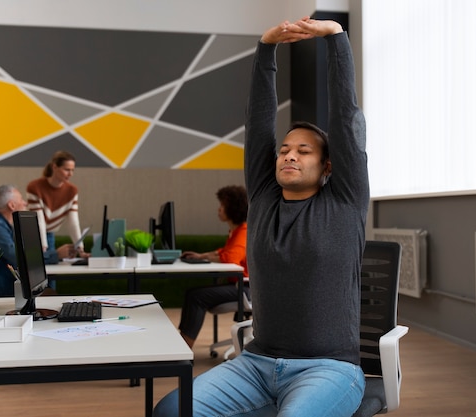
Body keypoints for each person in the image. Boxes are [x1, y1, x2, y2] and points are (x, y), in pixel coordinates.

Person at [154, 17, 369, 417]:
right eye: (286, 148)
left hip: (329, 368)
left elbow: (346, 115)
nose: (290, 153)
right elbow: (257, 122)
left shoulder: (345, 200)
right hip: (256, 364)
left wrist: (337, 38)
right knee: (170, 411)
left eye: (304, 151)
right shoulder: (265, 198)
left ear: (327, 167)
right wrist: (266, 48)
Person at [178, 185, 249, 348]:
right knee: (192, 293)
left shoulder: (243, 232)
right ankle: (183, 342)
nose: (219, 210)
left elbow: (231, 257)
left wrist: (208, 257)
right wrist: (202, 256)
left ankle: (185, 346)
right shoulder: (236, 232)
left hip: (245, 288)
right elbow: (224, 251)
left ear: (232, 209)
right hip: (238, 285)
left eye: (222, 206)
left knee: (197, 296)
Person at [0, 185, 75, 297]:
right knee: (49, 294)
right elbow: (20, 258)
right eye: (21, 199)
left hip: (10, 283)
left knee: (47, 290)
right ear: (11, 205)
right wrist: (56, 254)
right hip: (1, 287)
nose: (25, 203)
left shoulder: (5, 226)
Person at [26, 151, 89, 259]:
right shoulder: (35, 187)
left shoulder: (72, 190)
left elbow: (73, 222)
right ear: (55, 167)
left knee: (51, 271)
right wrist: (43, 247)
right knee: (36, 268)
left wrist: (80, 249)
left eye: (72, 170)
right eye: (67, 170)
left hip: (50, 234)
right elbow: (39, 221)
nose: (70, 174)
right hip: (33, 236)